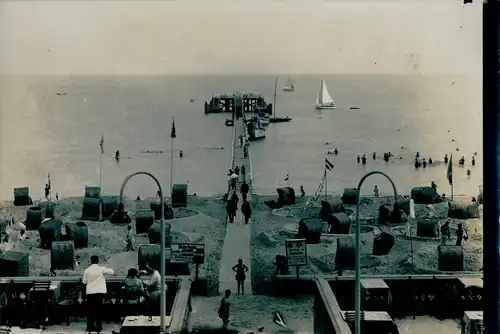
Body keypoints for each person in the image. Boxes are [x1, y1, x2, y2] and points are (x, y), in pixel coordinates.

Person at [83, 255, 114, 333]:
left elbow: (84, 282)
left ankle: (89, 327)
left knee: (90, 310)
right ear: (97, 261)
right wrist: (108, 268)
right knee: (98, 310)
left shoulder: (86, 270)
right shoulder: (101, 269)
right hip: (99, 293)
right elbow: (112, 272)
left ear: (91, 261)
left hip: (90, 292)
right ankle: (98, 327)